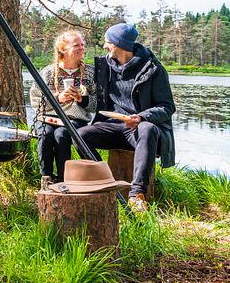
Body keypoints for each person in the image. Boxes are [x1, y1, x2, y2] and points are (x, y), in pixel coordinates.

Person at [78, 23, 176, 211]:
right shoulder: (104, 66)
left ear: (119, 44)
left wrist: (140, 117)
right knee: (80, 135)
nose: (105, 46)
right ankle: (105, 181)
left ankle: (136, 195)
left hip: (139, 131)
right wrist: (80, 98)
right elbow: (92, 94)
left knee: (147, 128)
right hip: (112, 126)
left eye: (108, 42)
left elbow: (167, 107)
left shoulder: (154, 69)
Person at [29, 30, 96, 182]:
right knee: (45, 135)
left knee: (61, 135)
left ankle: (63, 179)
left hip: (75, 119)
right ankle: (46, 178)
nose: (81, 48)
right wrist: (57, 98)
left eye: (82, 44)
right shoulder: (47, 73)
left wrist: (81, 99)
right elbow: (35, 101)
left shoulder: (90, 74)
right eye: (76, 45)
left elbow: (96, 104)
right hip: (47, 118)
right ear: (63, 50)